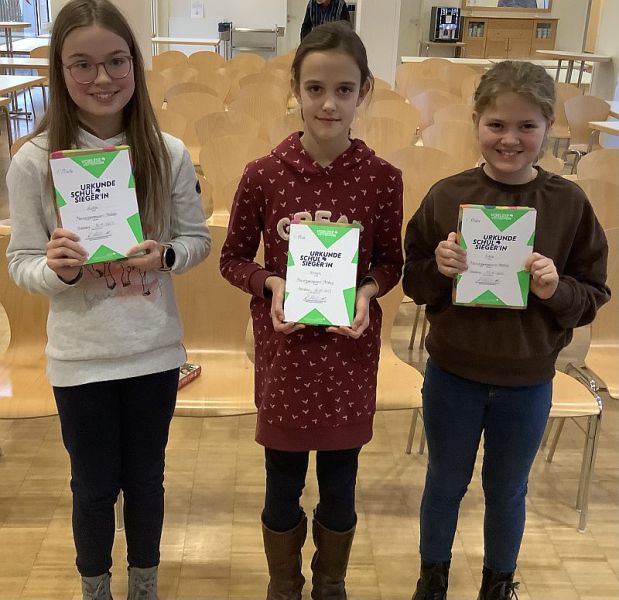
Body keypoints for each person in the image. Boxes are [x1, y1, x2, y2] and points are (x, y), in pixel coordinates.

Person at [6, 1, 210, 599]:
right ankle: (95, 589)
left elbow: (196, 241)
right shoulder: (32, 161)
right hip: (80, 359)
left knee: (146, 483)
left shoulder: (167, 152)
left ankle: (144, 587)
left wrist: (165, 256)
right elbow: (20, 262)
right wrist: (59, 272)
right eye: (82, 64)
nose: (102, 78)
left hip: (152, 352)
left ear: (134, 65)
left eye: (117, 61)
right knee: (92, 488)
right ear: (60, 70)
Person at [403, 60, 610, 600]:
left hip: (527, 381)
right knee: (444, 483)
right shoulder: (447, 195)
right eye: (496, 124)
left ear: (549, 127)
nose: (510, 139)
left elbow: (592, 295)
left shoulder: (568, 203)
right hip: (453, 375)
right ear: (476, 122)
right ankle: (432, 580)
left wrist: (554, 289)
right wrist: (438, 269)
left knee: (508, 490)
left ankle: (498, 583)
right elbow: (413, 280)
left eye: (526, 126)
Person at [220, 21, 403, 600]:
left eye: (344, 90)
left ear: (363, 92)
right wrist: (270, 283)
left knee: (341, 488)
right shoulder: (263, 174)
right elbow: (232, 259)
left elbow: (391, 263)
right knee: (281, 486)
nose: (329, 104)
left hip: (348, 360)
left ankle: (330, 584)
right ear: (295, 89)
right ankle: (284, 585)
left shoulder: (382, 179)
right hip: (286, 359)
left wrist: (367, 292)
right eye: (315, 88)